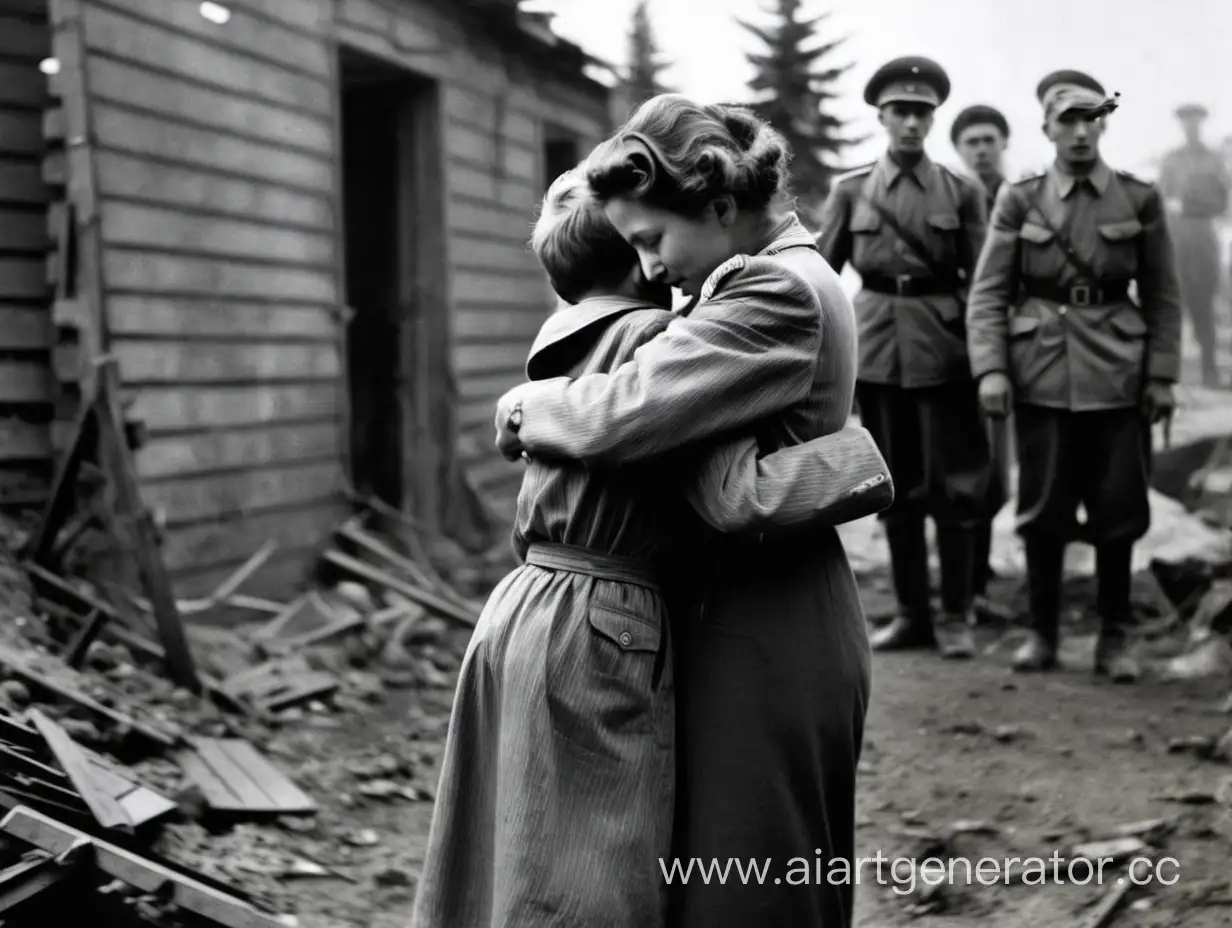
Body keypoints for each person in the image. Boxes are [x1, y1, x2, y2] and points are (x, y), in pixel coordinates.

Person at [413, 164, 891, 928]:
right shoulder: (656, 342)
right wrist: (859, 457)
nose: (669, 266)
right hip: (606, 617)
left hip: (525, 604)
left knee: (518, 850)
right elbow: (732, 492)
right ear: (637, 259)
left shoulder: (557, 343)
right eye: (648, 243)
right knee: (593, 870)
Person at [966, 70, 1183, 680]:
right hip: (1040, 373)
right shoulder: (1020, 197)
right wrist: (991, 370)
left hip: (1119, 374)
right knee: (1042, 509)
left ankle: (1115, 639)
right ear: (1047, 128)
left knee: (1120, 508)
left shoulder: (1138, 198)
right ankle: (1043, 634)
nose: (1081, 132)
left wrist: (1161, 376)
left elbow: (1164, 295)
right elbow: (988, 294)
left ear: (1104, 124)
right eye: (1068, 121)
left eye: (1092, 119)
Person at [816, 56, 992, 658]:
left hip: (947, 353)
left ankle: (958, 614)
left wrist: (983, 351)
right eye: (901, 113)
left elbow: (986, 280)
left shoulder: (963, 193)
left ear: (933, 117)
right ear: (882, 117)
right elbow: (820, 275)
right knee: (893, 488)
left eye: (922, 113)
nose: (912, 124)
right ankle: (913, 613)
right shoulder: (851, 190)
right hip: (881, 355)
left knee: (955, 490)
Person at [951, 103, 1015, 613]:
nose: (981, 150)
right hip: (955, 350)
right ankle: (964, 581)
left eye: (989, 140)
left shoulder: (1022, 199)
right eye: (971, 142)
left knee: (1000, 469)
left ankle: (982, 570)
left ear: (1004, 144)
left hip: (1014, 347)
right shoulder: (948, 197)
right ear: (958, 150)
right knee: (965, 465)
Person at [1159, 103, 1230, 387]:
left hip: (1204, 242)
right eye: (1186, 123)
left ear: (1202, 124)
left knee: (1204, 306)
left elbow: (1223, 203)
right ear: (1181, 126)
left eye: (1195, 122)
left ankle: (1209, 369)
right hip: (1176, 242)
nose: (1191, 127)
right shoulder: (1170, 160)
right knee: (1173, 306)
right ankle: (1169, 376)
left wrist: (1186, 206)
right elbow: (1161, 199)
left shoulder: (1213, 160)